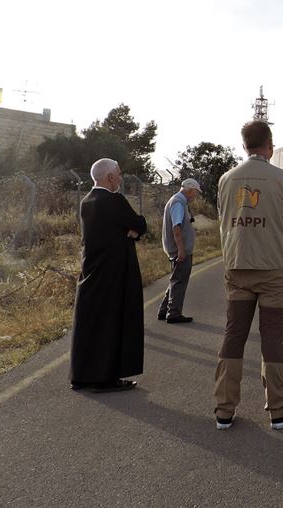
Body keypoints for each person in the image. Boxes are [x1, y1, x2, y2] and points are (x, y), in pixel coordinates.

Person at [213, 120, 283, 431]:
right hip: (273, 270)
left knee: (233, 336)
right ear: (270, 145)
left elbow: (225, 219)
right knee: (271, 339)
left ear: (244, 146)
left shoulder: (226, 179)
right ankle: (279, 409)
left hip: (238, 267)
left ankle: (224, 409)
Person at [70, 158, 147, 393]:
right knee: (111, 325)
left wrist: (129, 229)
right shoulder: (112, 200)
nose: (121, 178)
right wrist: (132, 230)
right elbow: (138, 223)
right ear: (111, 177)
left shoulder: (87, 201)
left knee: (89, 325)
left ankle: (82, 375)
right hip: (113, 274)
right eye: (119, 174)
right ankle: (105, 377)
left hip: (91, 271)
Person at [157, 178, 203, 324]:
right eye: (195, 193)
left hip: (176, 249)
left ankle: (164, 310)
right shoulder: (178, 202)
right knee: (179, 281)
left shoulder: (178, 201)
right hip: (178, 250)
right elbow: (176, 228)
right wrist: (181, 250)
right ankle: (174, 313)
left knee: (175, 279)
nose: (195, 196)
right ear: (189, 190)